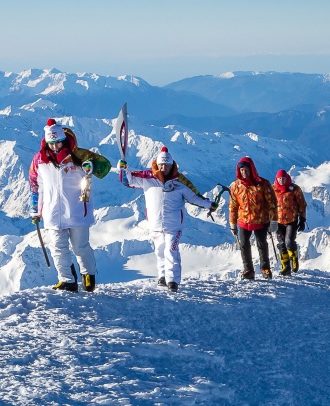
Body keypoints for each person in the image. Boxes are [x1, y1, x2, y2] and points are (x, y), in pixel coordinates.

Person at [119, 146, 217, 292]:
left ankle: (173, 281)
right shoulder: (148, 180)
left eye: (167, 165)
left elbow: (194, 198)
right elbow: (129, 181)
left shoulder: (179, 184)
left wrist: (209, 205)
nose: (164, 167)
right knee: (159, 251)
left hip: (174, 225)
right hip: (155, 224)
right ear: (157, 165)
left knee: (171, 250)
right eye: (161, 164)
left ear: (172, 165)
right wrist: (123, 168)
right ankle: (162, 276)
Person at [29, 118, 111, 292]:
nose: (55, 147)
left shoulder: (77, 156)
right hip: (52, 212)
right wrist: (35, 210)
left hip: (77, 210)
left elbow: (104, 167)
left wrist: (91, 166)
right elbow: (35, 185)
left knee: (80, 247)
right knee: (58, 248)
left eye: (58, 143)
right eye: (52, 144)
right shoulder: (39, 160)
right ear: (46, 142)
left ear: (63, 140)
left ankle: (88, 274)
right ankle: (67, 280)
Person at [228, 157, 277, 279]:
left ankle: (265, 269)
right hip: (243, 220)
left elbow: (272, 203)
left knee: (262, 244)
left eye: (246, 169)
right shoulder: (236, 186)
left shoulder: (263, 184)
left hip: (261, 219)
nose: (244, 172)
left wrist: (274, 220)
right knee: (244, 245)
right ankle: (248, 270)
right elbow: (233, 205)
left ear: (252, 169)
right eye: (242, 170)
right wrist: (232, 223)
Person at [272, 169, 308, 276]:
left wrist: (302, 219)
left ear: (287, 178)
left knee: (288, 241)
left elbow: (302, 204)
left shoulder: (295, 189)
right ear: (277, 179)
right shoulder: (273, 190)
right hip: (277, 221)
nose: (282, 181)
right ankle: (285, 267)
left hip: (291, 220)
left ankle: (294, 258)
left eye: (283, 179)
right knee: (281, 243)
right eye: (280, 179)